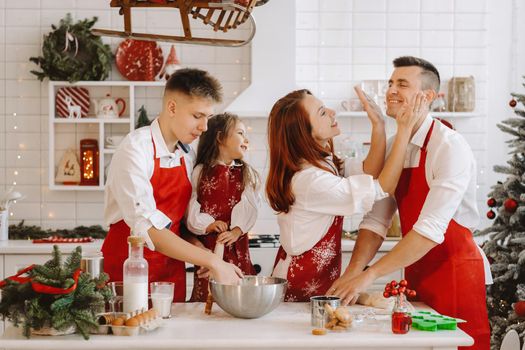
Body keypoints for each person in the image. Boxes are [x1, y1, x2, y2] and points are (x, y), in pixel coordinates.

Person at [329, 56, 490, 350]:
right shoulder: (395, 144)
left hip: (454, 269)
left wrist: (371, 274)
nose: (391, 90)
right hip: (416, 267)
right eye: (390, 83)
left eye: (402, 84)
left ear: (427, 96)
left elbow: (430, 229)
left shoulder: (449, 146)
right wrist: (354, 271)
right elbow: (376, 221)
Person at [266, 88, 426, 301]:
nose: (332, 112)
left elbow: (369, 171)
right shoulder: (310, 180)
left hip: (316, 281)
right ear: (303, 132)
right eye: (322, 112)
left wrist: (378, 124)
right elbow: (382, 188)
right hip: (298, 286)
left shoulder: (323, 163)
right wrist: (404, 132)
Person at [102, 68, 243, 302]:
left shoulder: (186, 154)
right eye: (197, 116)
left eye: (208, 117)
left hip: (170, 277)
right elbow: (147, 227)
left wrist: (201, 251)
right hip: (128, 273)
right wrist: (212, 261)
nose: (204, 127)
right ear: (172, 108)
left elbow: (177, 224)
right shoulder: (135, 149)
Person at [186, 112, 260, 301]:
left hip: (237, 249)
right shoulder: (200, 172)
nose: (246, 139)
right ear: (220, 137)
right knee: (209, 298)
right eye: (240, 133)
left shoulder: (246, 173)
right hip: (209, 251)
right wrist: (207, 225)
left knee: (238, 298)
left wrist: (236, 230)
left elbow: (251, 207)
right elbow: (191, 207)